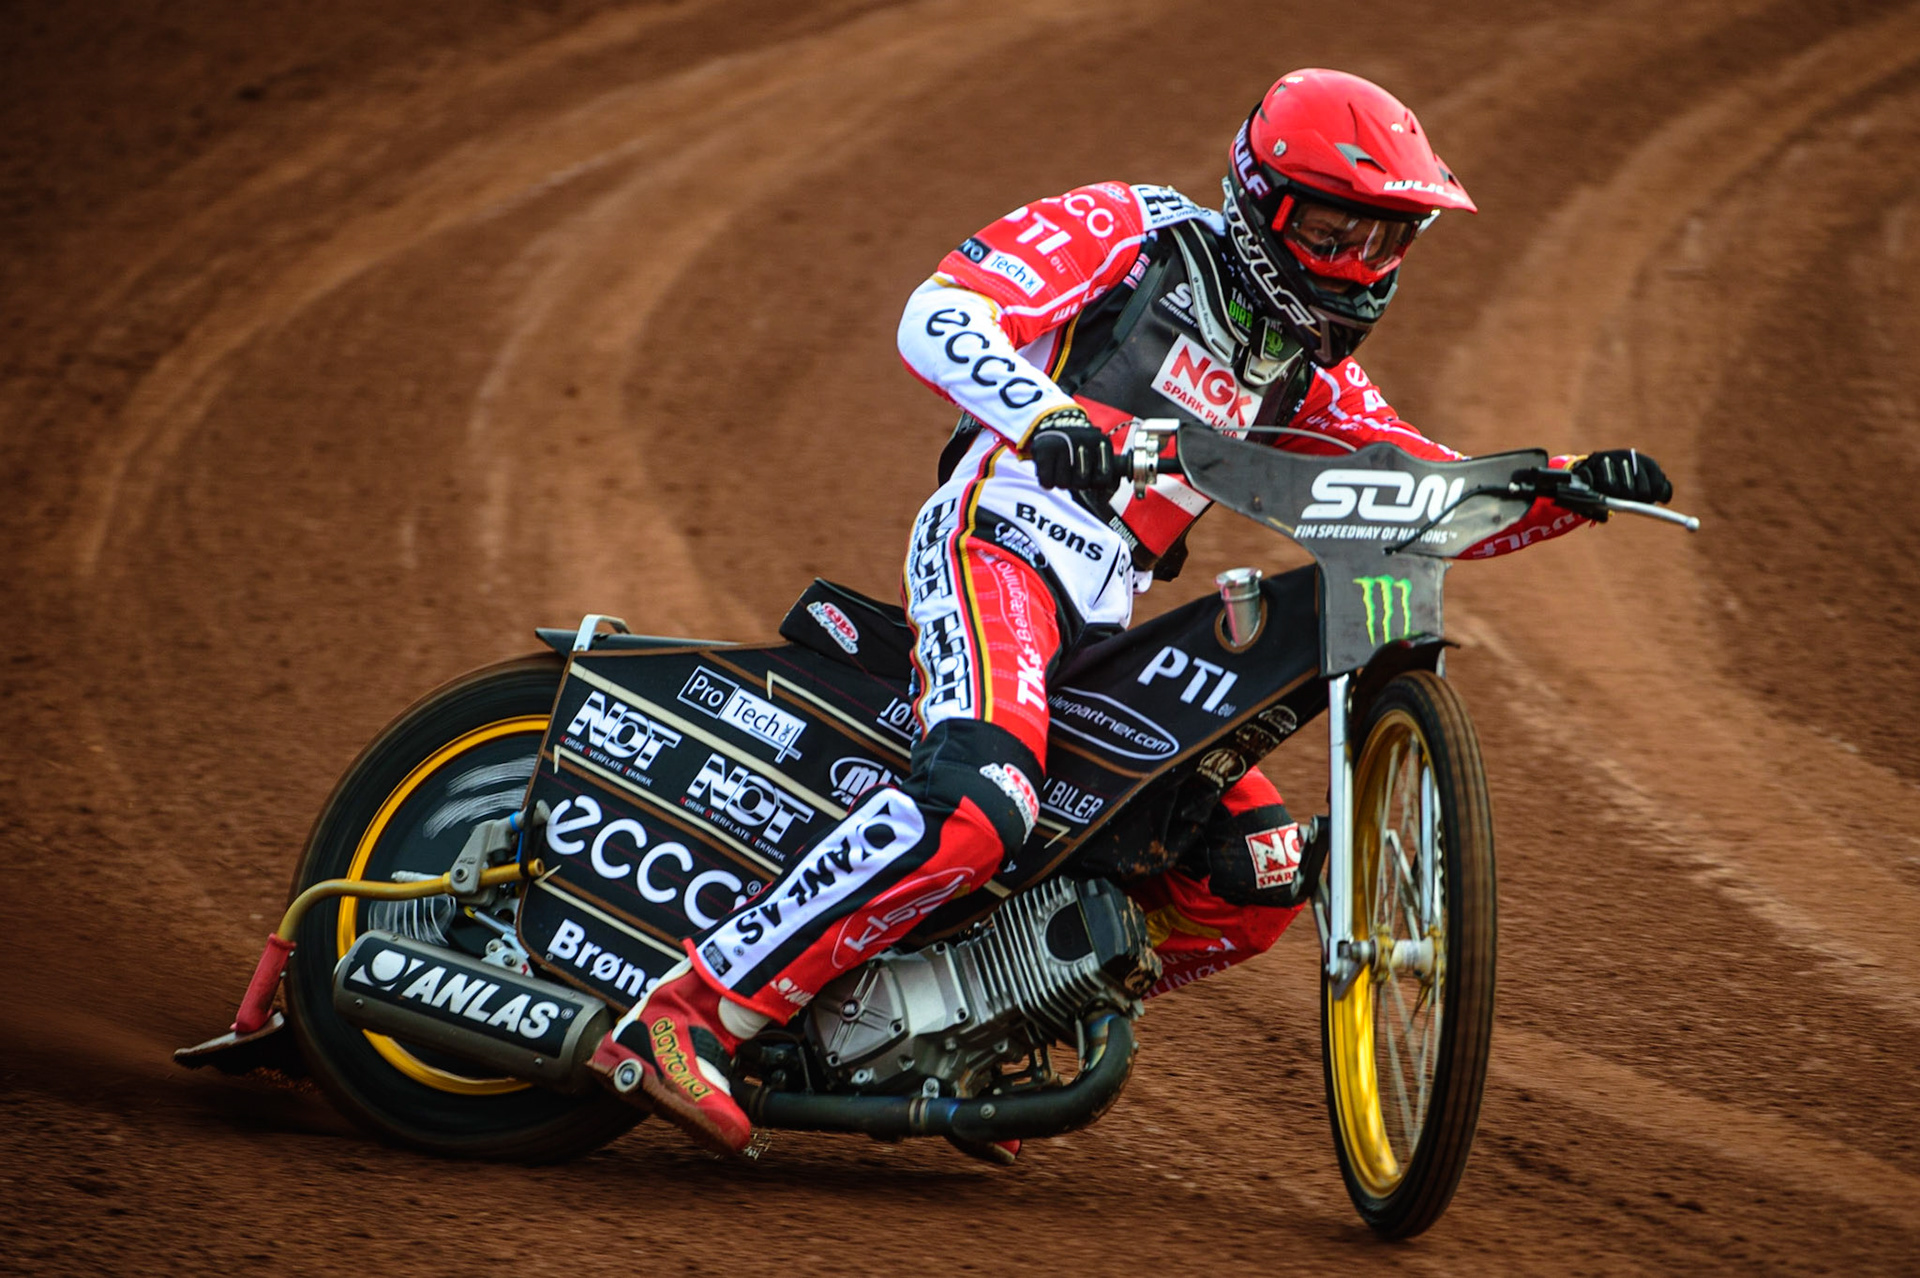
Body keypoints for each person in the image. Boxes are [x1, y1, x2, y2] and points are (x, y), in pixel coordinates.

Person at [586, 68, 1672, 1159]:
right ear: (1263, 200)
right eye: (1339, 228)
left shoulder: (1305, 376)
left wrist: (1563, 486)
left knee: (1254, 880)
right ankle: (690, 1011)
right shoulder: (1136, 232)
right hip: (996, 548)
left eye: (1388, 240)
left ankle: (980, 1009)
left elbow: (1418, 487)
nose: (1363, 265)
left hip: (1103, 623)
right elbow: (939, 315)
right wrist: (1048, 413)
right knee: (982, 803)